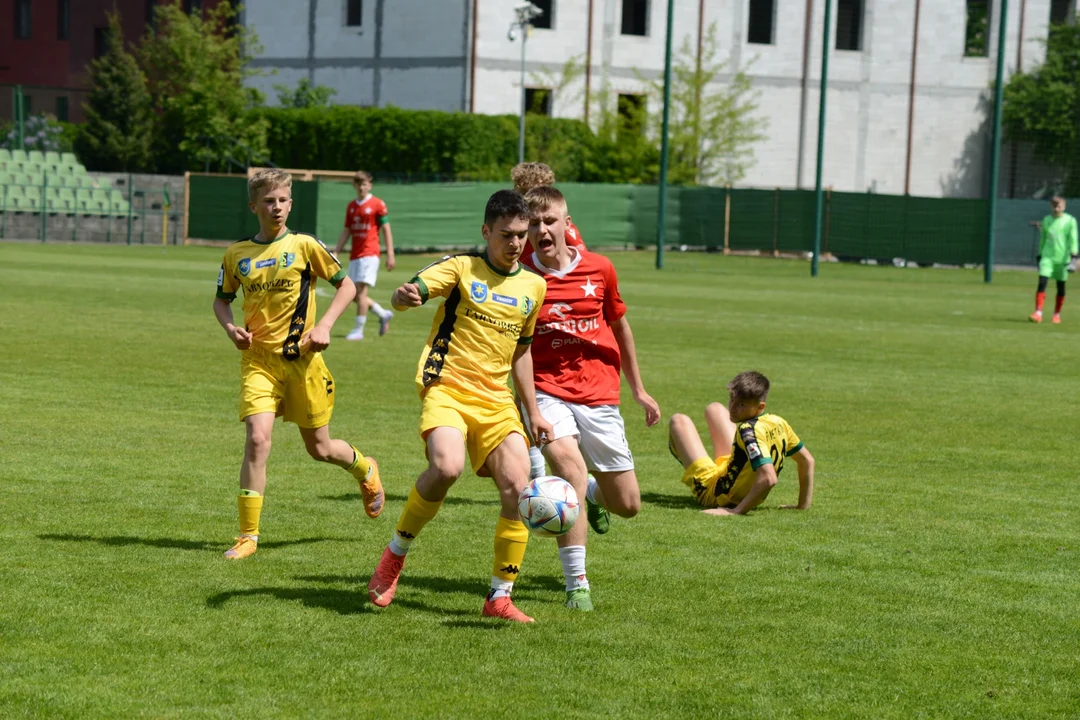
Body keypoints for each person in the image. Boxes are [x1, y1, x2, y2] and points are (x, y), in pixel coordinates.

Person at [366, 189, 552, 623]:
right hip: (446, 387)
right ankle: (395, 554)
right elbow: (411, 290)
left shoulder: (534, 286)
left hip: (496, 400)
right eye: (505, 234)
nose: (515, 243)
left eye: (521, 235)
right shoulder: (460, 268)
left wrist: (534, 410)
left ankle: (499, 597)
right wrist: (402, 297)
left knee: (517, 491)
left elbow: (522, 352)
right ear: (486, 231)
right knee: (447, 468)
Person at [213, 169, 385, 560]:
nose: (276, 207)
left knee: (320, 448)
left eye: (283, 200)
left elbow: (347, 284)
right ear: (253, 206)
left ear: (291, 203)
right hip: (258, 363)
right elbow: (221, 299)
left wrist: (324, 325)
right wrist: (230, 329)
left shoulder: (305, 245)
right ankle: (248, 536)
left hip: (303, 362)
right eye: (269, 201)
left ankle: (365, 469)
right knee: (257, 441)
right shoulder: (237, 254)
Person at [520, 185, 660, 611]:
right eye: (534, 224)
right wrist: (529, 409)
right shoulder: (522, 278)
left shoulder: (600, 269)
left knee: (629, 505)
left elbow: (620, 328)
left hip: (600, 393)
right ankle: (576, 583)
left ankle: (598, 496)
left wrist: (638, 388)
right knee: (569, 471)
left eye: (549, 221)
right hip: (547, 391)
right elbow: (517, 348)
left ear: (567, 223)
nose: (542, 230)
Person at [668, 371, 814, 516]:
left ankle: (676, 448)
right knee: (716, 408)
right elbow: (807, 460)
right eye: (732, 399)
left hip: (717, 493)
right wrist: (802, 506)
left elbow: (768, 478)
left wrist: (736, 511)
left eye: (742, 404)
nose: (732, 408)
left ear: (760, 407)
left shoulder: (748, 431)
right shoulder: (778, 421)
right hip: (731, 471)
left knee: (678, 421)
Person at [334, 170, 395, 340]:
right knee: (352, 294)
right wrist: (337, 251)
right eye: (359, 184)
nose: (362, 187)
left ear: (370, 185)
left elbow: (386, 229)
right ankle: (382, 314)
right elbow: (347, 230)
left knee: (360, 293)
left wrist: (390, 253)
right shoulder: (352, 206)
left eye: (365, 184)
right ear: (354, 185)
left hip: (370, 253)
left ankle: (358, 330)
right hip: (355, 255)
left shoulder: (377, 204)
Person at [1030, 196, 1079, 324]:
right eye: (1054, 206)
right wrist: (1040, 255)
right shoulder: (1047, 220)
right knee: (1042, 282)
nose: (1057, 209)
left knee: (1061, 287)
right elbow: (1043, 239)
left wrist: (1074, 256)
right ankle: (1038, 313)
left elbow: (1073, 239)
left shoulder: (1070, 221)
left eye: (1059, 206)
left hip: (1063, 259)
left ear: (1064, 207)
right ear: (1051, 206)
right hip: (1047, 257)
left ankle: (1056, 314)